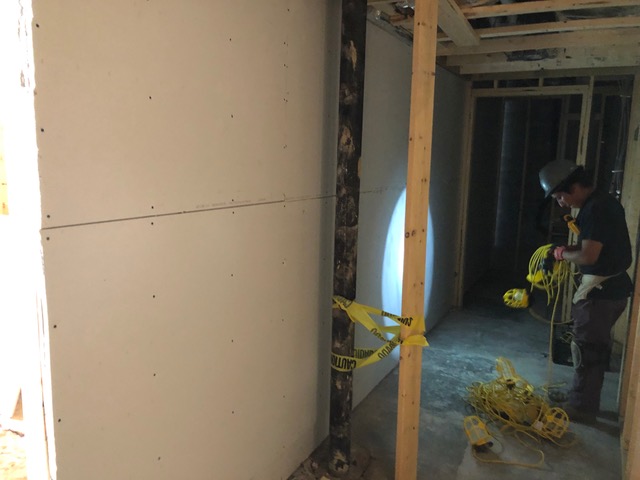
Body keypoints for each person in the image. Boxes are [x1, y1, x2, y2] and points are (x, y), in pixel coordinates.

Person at [539, 159, 633, 423]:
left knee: (586, 351)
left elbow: (590, 255)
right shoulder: (601, 203)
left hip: (601, 293)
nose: (561, 203)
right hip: (611, 288)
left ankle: (582, 408)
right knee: (593, 348)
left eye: (560, 196)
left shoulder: (597, 209)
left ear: (575, 187)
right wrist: (565, 251)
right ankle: (581, 398)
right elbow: (596, 249)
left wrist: (564, 255)